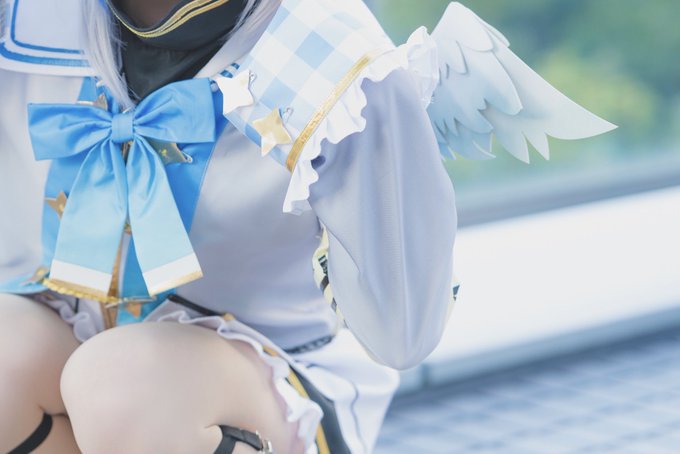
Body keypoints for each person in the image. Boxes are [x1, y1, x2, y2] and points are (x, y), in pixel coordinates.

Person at [0, 0, 613, 452]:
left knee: (120, 386)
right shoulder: (28, 18)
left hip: (269, 372)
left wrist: (375, 118)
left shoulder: (329, 52)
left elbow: (404, 335)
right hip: (85, 325)